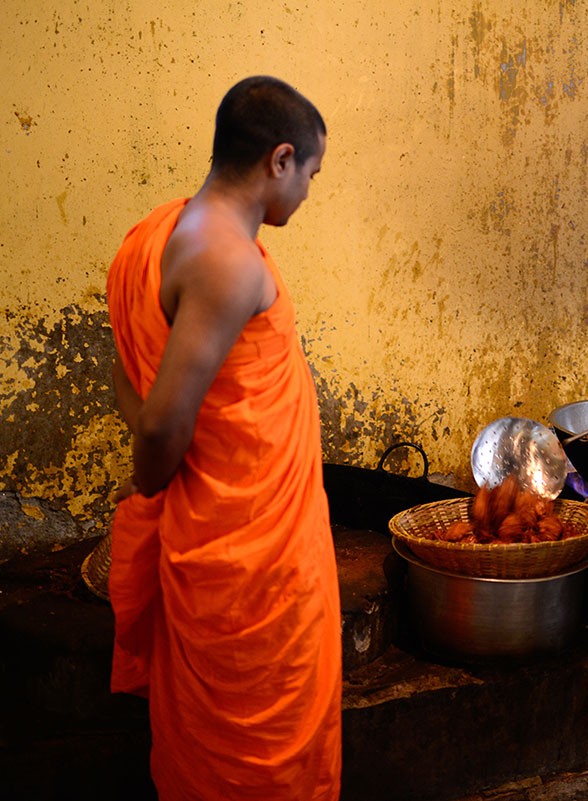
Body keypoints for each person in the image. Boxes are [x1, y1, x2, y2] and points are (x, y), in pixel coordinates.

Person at [105, 76, 341, 800]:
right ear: (278, 160)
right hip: (247, 558)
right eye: (310, 173)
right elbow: (161, 421)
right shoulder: (227, 264)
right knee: (259, 756)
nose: (307, 192)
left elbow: (124, 371)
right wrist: (156, 479)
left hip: (236, 532)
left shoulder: (160, 231)